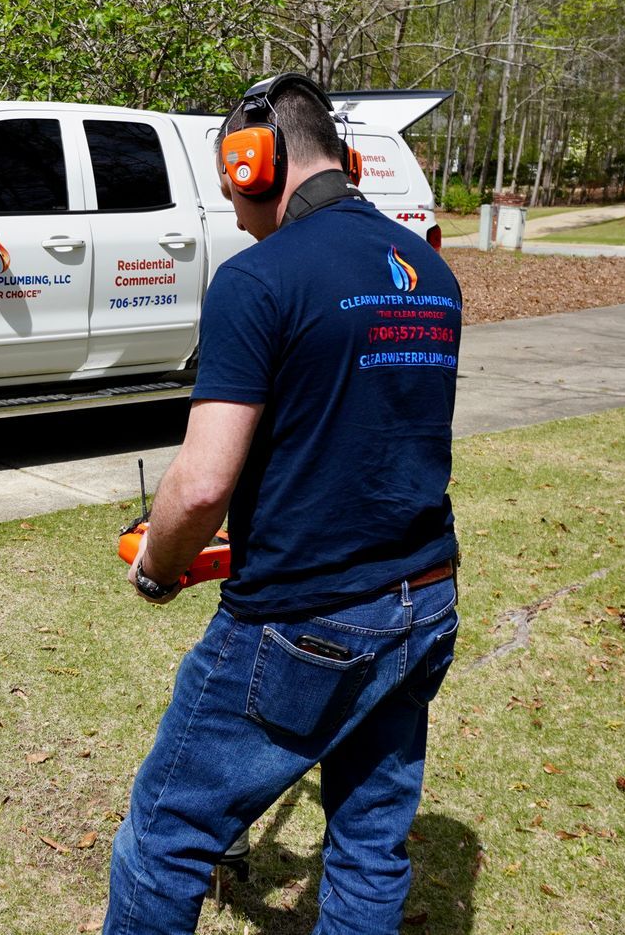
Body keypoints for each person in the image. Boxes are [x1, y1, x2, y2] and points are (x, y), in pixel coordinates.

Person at [104, 73, 463, 935]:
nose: (231, 204)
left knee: (164, 836)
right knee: (370, 846)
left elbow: (198, 484)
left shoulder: (254, 280)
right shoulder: (430, 271)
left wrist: (158, 567)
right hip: (425, 597)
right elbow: (354, 437)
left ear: (254, 160)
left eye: (230, 182)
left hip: (304, 621)